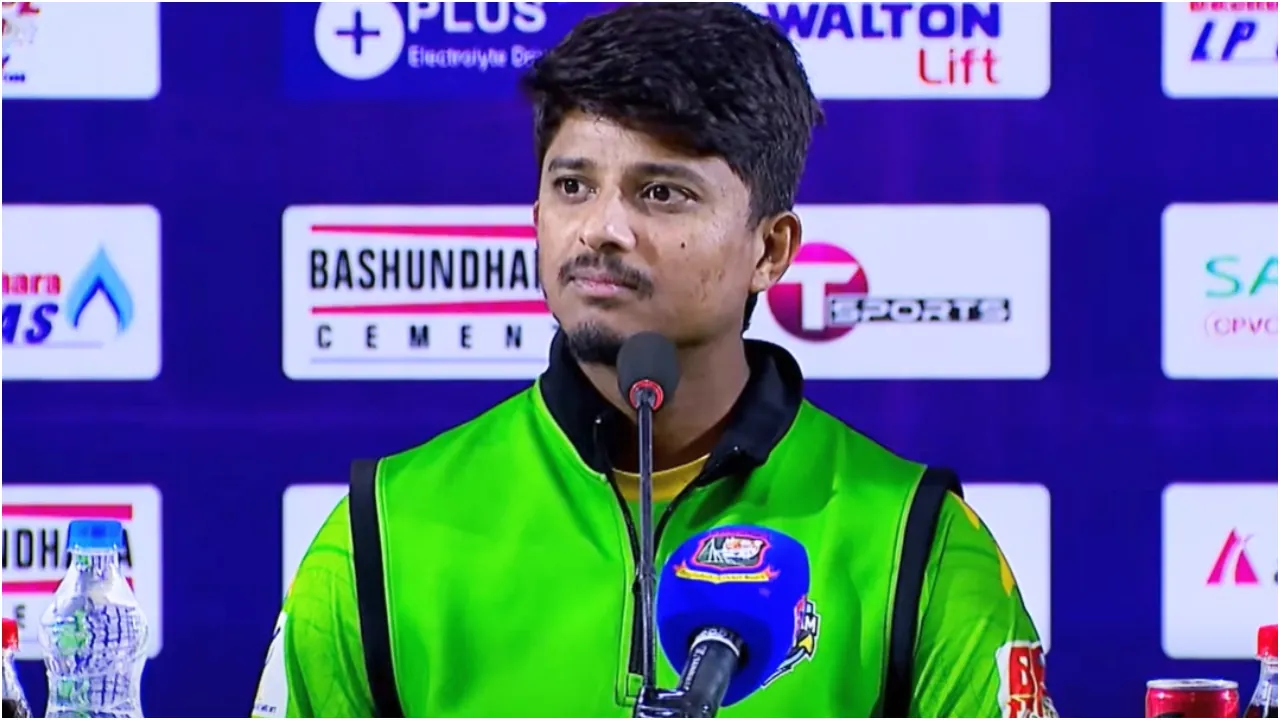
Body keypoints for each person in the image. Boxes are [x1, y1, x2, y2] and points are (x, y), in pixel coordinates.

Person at [251, 3, 1056, 718]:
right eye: (573, 186)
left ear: (770, 250)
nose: (601, 229)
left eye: (662, 192)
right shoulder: (381, 530)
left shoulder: (915, 538)